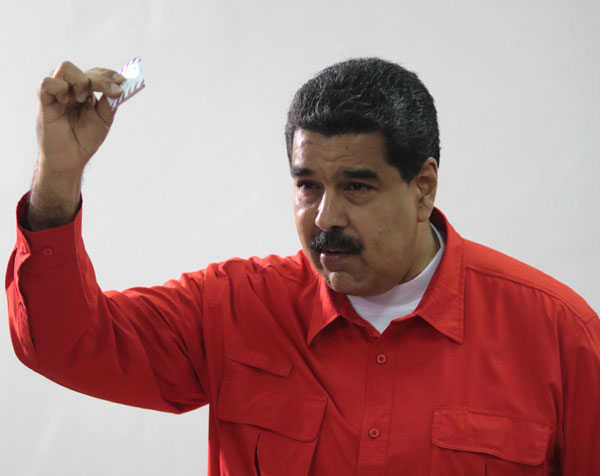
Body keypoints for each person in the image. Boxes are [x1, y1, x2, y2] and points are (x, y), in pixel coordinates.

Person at [6, 57, 599, 475]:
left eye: (357, 186)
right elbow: (63, 343)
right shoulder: (233, 309)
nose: (325, 217)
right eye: (308, 185)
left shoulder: (558, 335)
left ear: (422, 187)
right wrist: (59, 176)